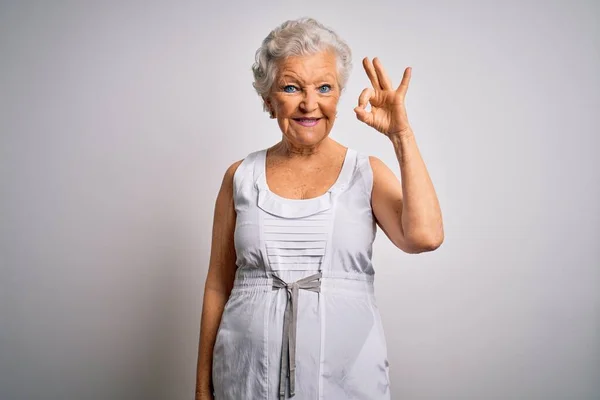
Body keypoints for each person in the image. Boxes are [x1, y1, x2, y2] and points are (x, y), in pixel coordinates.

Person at [195, 17, 443, 400]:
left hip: (346, 381)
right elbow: (217, 285)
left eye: (324, 88)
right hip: (244, 377)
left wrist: (401, 135)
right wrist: (202, 390)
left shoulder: (365, 172)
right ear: (268, 99)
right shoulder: (239, 177)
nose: (310, 104)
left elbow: (425, 237)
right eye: (292, 87)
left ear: (338, 96)